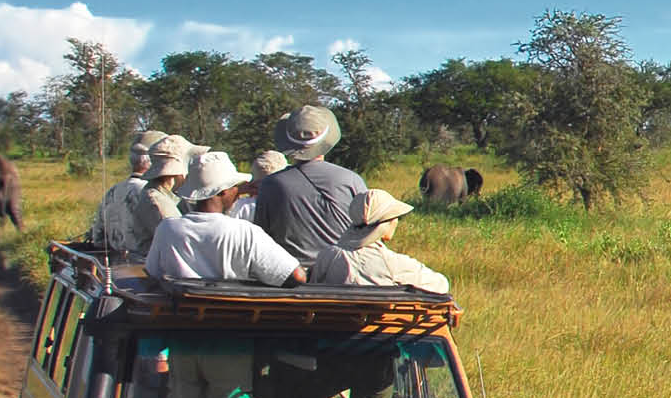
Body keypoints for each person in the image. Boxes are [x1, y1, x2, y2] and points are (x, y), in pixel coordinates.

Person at [145, 160, 303, 285]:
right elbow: (297, 276)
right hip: (231, 312)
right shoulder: (245, 232)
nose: (238, 191)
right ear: (223, 191)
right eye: (235, 186)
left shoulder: (167, 228)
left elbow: (152, 273)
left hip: (181, 311)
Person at [244, 105, 368, 263]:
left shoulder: (270, 184)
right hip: (342, 268)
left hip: (290, 271)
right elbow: (366, 231)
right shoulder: (351, 179)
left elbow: (263, 238)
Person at [317, 188, 450, 294]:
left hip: (332, 320)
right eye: (395, 217)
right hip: (379, 321)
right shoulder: (393, 263)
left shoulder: (327, 256)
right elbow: (441, 285)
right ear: (385, 224)